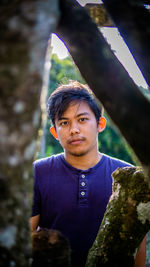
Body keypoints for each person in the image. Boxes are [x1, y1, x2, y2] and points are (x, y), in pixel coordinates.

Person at [30, 81, 146, 267]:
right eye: (64, 122)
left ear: (100, 123)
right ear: (54, 132)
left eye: (82, 119)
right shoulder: (38, 172)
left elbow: (137, 244)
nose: (74, 129)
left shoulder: (127, 176)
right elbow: (22, 239)